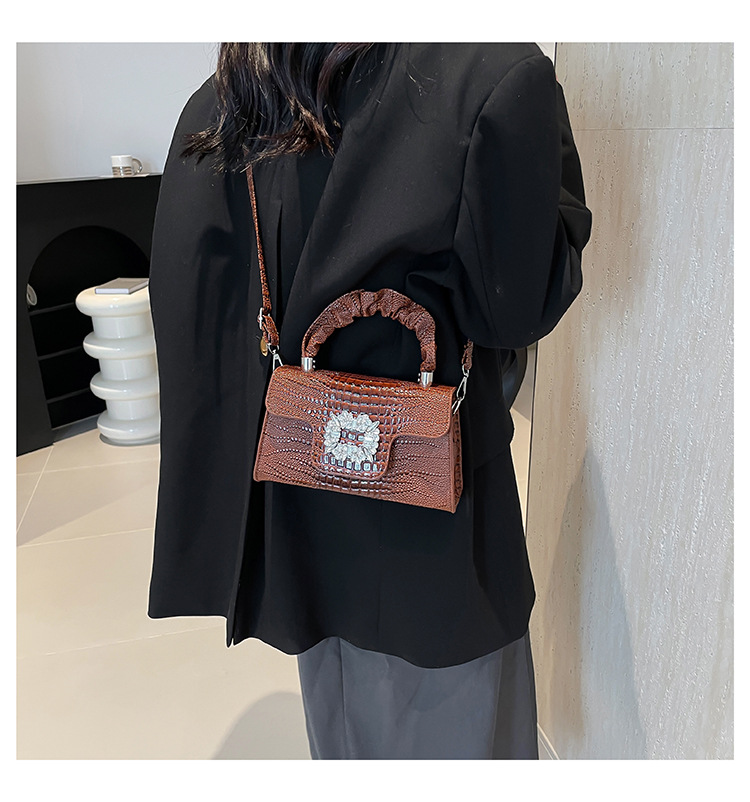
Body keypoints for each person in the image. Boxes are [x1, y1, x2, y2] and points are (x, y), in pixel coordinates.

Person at [147, 42, 592, 760]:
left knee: (342, 732)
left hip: (301, 514)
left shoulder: (230, 98)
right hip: (436, 537)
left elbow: (196, 311)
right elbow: (516, 307)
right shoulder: (492, 76)